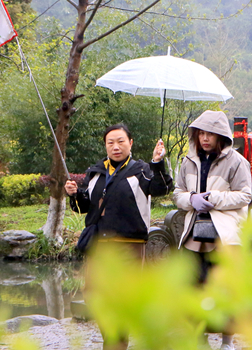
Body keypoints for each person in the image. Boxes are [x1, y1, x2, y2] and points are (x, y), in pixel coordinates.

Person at [64, 123, 173, 350]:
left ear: (130, 143)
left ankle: (116, 344)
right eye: (110, 142)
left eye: (121, 141)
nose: (116, 146)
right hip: (99, 246)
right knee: (94, 294)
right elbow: (85, 207)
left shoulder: (142, 170)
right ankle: (112, 339)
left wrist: (157, 162)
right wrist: (74, 195)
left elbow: (161, 188)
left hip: (129, 246)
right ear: (105, 145)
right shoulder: (96, 172)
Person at [173, 110, 252, 350]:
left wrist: (214, 198)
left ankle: (227, 341)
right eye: (201, 134)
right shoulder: (188, 161)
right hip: (193, 234)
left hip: (224, 236)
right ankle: (199, 338)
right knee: (192, 289)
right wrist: (192, 199)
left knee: (226, 290)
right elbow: (177, 193)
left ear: (221, 136)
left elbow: (245, 195)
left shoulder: (237, 161)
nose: (205, 139)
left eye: (210, 134)